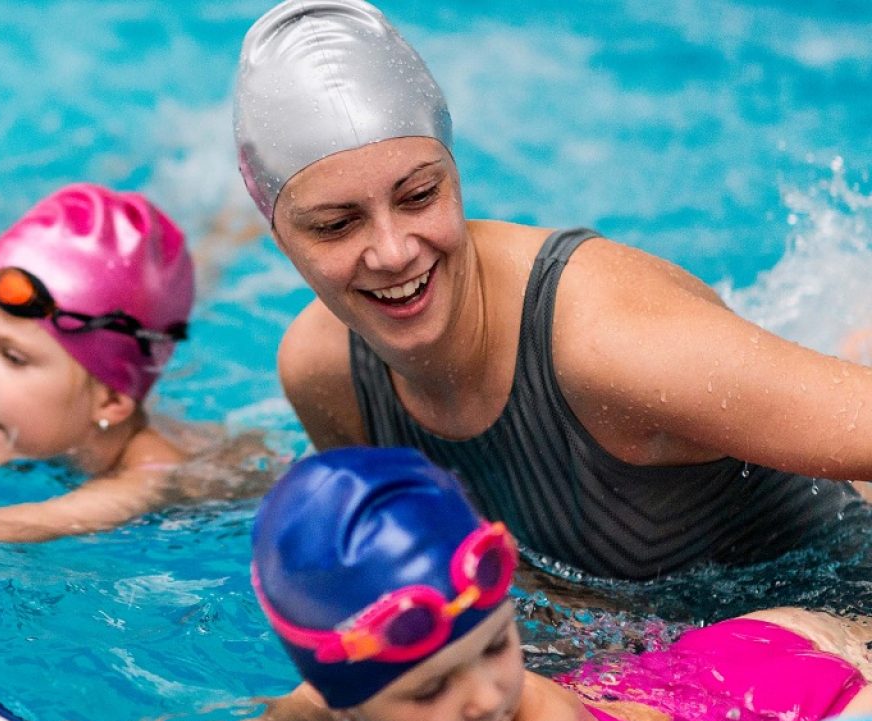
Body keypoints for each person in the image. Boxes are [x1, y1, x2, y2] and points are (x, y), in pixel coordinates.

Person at [228, 0, 872, 581]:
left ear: (456, 176)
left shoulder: (608, 342)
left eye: (419, 196)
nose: (394, 252)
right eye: (337, 225)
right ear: (279, 237)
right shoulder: (325, 373)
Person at [34, 446, 872, 721]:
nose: (483, 699)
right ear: (351, 701)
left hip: (823, 690)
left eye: (496, 647)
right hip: (722, 662)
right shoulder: (339, 697)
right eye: (430, 689)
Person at [0, 182, 275, 566]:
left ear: (111, 401)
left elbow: (24, 522)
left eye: (13, 358)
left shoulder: (151, 472)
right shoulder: (9, 418)